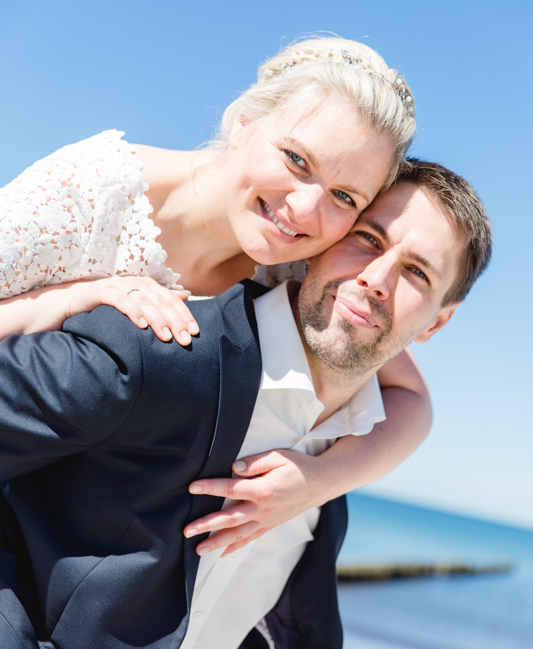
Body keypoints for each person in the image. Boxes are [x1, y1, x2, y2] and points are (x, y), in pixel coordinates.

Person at [0, 159, 491, 649]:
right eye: (366, 238)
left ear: (435, 324)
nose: (376, 278)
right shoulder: (158, 352)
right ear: (320, 243)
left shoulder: (343, 455)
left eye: (417, 273)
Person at [0, 36, 430, 554]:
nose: (305, 208)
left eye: (344, 196)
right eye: (296, 159)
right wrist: (75, 299)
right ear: (244, 122)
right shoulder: (92, 187)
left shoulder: (296, 264)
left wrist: (316, 482)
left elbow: (412, 402)